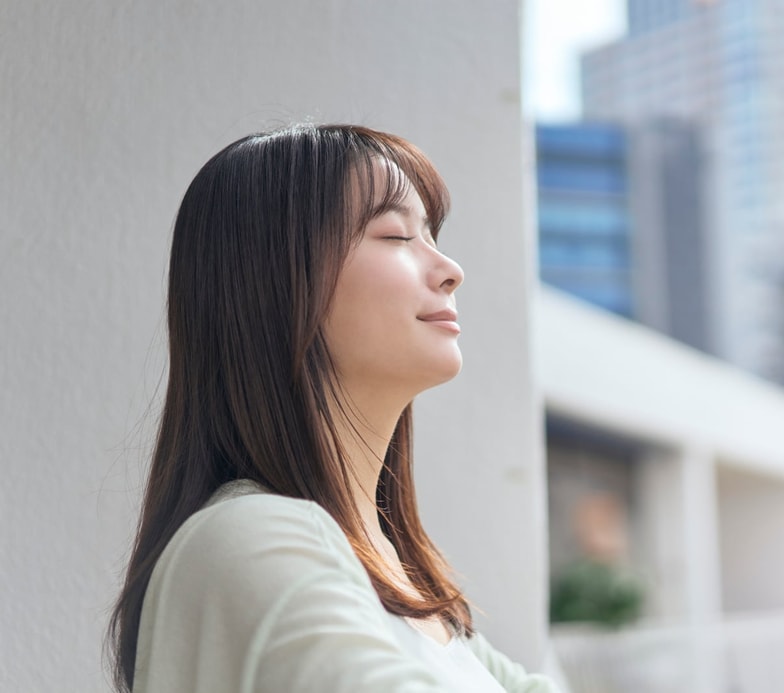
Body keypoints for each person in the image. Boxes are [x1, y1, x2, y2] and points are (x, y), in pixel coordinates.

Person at [108, 124, 560, 693]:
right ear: (274, 279)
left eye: (432, 235)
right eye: (396, 236)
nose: (450, 270)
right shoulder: (250, 534)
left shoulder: (410, 592)